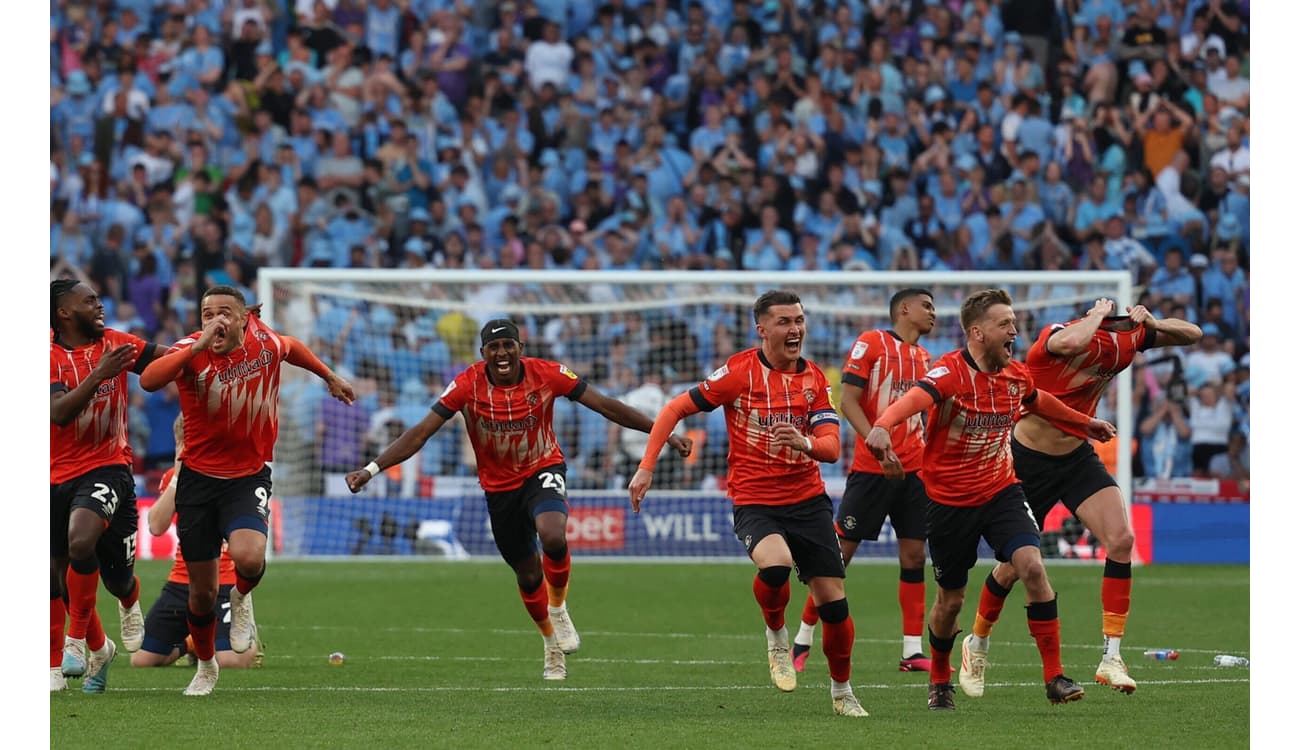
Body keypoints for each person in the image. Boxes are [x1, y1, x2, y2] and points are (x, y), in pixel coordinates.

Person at [346, 320, 691, 681]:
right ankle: (551, 645)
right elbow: (419, 434)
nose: (502, 353)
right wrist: (371, 469)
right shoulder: (467, 385)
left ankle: (558, 610)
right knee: (527, 575)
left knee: (554, 535)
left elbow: (605, 405)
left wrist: (662, 433)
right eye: (494, 348)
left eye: (508, 345)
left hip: (542, 468)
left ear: (520, 348)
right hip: (499, 490)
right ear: (483, 354)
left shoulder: (548, 374)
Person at [865, 289, 1117, 710]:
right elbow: (911, 401)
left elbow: (1040, 401)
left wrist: (1085, 422)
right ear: (978, 333)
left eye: (1014, 322)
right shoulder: (949, 373)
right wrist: (882, 426)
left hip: (1002, 490)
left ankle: (1054, 677)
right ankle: (941, 678)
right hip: (948, 503)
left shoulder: (1015, 375)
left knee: (1032, 567)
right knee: (950, 601)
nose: (1014, 330)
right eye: (1005, 324)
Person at [629, 290, 869, 718]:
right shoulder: (737, 373)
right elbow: (673, 409)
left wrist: (805, 442)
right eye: (784, 322)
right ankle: (776, 635)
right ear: (762, 329)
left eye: (799, 319)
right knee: (774, 566)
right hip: (755, 500)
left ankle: (842, 691)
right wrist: (647, 466)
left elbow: (832, 449)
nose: (795, 329)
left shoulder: (814, 379)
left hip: (808, 500)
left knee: (834, 604)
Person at [958, 299, 1201, 698]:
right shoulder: (1054, 338)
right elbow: (1071, 344)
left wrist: (1154, 323)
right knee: (1013, 568)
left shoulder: (1127, 338)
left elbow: (1194, 334)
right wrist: (1095, 316)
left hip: (1076, 458)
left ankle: (1111, 657)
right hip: (1026, 461)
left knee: (1122, 540)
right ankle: (977, 643)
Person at [140, 285, 355, 696]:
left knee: (249, 555)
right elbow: (149, 381)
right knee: (201, 596)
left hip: (247, 475)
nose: (215, 320)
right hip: (199, 481)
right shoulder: (189, 350)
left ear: (243, 319)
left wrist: (329, 375)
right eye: (207, 314)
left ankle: (240, 598)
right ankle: (205, 666)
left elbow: (291, 346)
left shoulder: (264, 342)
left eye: (224, 312)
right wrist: (196, 344)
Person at [791, 288, 938, 674]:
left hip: (914, 471)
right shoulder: (871, 343)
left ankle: (911, 650)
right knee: (839, 556)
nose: (933, 313)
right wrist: (878, 441)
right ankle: (803, 637)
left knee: (913, 555)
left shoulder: (924, 358)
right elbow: (849, 401)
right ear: (904, 309)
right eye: (927, 306)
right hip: (872, 470)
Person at [51, 280, 164, 693]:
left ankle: (92, 628)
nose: (100, 305)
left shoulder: (116, 342)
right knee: (54, 573)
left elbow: (167, 361)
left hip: (106, 465)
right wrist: (100, 375)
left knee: (93, 556)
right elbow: (58, 413)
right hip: (51, 473)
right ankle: (92, 651)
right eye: (90, 300)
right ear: (64, 312)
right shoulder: (45, 354)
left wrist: (208, 343)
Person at [132, 415, 262, 669]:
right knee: (143, 660)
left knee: (230, 661)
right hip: (182, 580)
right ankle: (191, 643)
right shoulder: (175, 476)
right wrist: (179, 474)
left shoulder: (236, 476)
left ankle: (250, 636)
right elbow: (156, 525)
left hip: (225, 581)